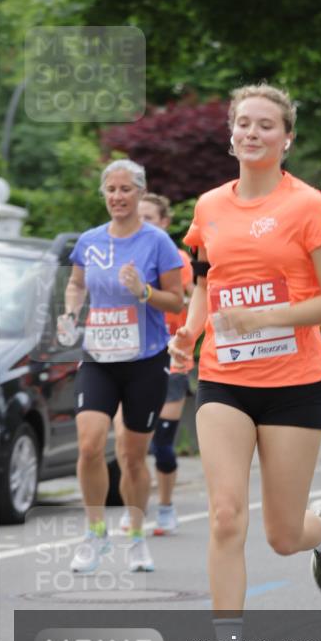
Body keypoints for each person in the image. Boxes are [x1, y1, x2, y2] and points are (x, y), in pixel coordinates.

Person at [169, 83, 321, 641]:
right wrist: (190, 332)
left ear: (287, 138)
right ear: (231, 134)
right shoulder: (210, 206)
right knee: (225, 515)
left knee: (279, 534)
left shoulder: (308, 206)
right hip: (224, 376)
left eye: (265, 125)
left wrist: (267, 320)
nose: (252, 133)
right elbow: (205, 282)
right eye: (243, 123)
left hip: (295, 384)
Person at [58, 160, 184, 574]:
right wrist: (72, 313)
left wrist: (142, 291)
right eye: (110, 189)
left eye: (125, 189)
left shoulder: (158, 242)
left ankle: (134, 535)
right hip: (98, 357)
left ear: (139, 192)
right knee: (91, 444)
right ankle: (95, 534)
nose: (117, 197)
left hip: (145, 360)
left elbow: (177, 301)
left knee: (132, 457)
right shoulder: (90, 241)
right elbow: (76, 285)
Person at [118, 193, 194, 536]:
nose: (143, 223)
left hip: (167, 356)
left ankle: (164, 506)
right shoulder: (119, 254)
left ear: (164, 222)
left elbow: (183, 304)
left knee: (162, 444)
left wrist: (146, 292)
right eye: (140, 216)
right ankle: (132, 510)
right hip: (126, 357)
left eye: (150, 217)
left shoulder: (176, 258)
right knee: (125, 445)